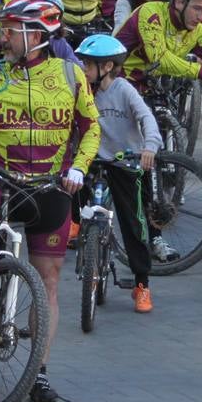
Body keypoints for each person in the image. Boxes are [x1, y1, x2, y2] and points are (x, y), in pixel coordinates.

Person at [0, 0, 100, 402]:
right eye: (2, 29)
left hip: (52, 183)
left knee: (47, 280)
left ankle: (39, 372)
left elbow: (91, 129)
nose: (2, 37)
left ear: (36, 35)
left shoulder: (70, 75)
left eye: (10, 30)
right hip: (0, 177)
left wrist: (79, 169)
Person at [73, 34, 162, 313]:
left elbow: (146, 118)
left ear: (107, 67)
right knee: (75, 199)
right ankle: (86, 245)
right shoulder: (83, 89)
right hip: (94, 160)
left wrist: (149, 146)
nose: (83, 69)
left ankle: (141, 284)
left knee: (134, 224)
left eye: (88, 64)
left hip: (127, 162)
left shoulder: (123, 89)